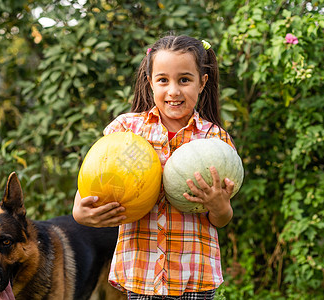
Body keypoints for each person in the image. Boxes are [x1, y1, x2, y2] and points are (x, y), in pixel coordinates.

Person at [73, 35, 237, 299]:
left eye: (184, 80)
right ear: (150, 82)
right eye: (163, 80)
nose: (173, 91)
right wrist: (80, 212)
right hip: (142, 274)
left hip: (193, 276)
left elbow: (221, 218)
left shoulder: (215, 141)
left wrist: (219, 206)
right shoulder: (127, 129)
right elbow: (95, 178)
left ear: (202, 83)